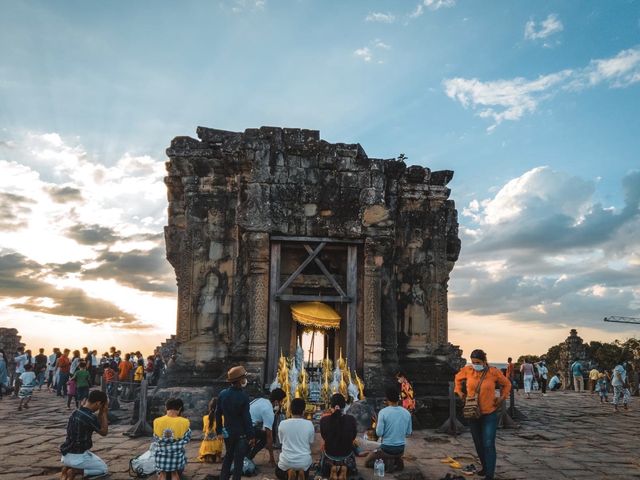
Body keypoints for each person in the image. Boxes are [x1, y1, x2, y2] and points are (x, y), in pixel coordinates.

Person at [454, 349, 511, 480]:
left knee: (488, 443)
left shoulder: (493, 372)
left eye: (478, 362)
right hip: (473, 414)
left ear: (484, 361)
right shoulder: (468, 370)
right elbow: (457, 379)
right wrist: (459, 392)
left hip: (489, 413)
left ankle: (489, 475)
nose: (475, 364)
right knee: (478, 444)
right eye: (473, 362)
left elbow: (507, 384)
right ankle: (485, 467)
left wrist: (502, 398)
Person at [216, 365, 255, 480]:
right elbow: (246, 418)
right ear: (240, 380)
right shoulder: (243, 396)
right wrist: (251, 435)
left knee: (228, 457)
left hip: (227, 432)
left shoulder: (222, 394)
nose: (245, 380)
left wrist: (219, 431)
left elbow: (218, 413)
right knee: (238, 460)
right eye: (244, 377)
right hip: (241, 434)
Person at [60, 389, 109, 479]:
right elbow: (104, 432)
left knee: (94, 458)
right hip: (78, 457)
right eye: (100, 405)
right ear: (98, 403)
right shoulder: (89, 417)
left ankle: (67, 467)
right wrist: (104, 413)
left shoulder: (75, 412)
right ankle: (76, 471)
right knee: (103, 469)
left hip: (66, 454)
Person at [365, 386, 412, 472]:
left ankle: (388, 463)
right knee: (390, 454)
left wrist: (377, 426)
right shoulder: (406, 413)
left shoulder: (383, 412)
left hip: (386, 448)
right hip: (401, 449)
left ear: (387, 399)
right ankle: (395, 460)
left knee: (367, 462)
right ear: (398, 399)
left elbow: (379, 433)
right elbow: (408, 433)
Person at [275, 397, 315, 480]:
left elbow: (281, 441)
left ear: (290, 410)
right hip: (303, 462)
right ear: (304, 411)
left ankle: (289, 473)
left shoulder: (282, 424)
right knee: (305, 470)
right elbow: (311, 442)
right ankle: (300, 473)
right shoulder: (309, 424)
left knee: (278, 472)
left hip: (286, 461)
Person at [319, 393, 358, 478]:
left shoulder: (323, 420)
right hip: (346, 454)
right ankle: (343, 468)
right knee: (352, 449)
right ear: (344, 406)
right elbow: (353, 437)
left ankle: (332, 468)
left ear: (331, 406)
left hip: (330, 454)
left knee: (323, 450)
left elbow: (324, 437)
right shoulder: (351, 419)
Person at [153, 397, 192, 480]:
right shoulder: (185, 421)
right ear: (180, 408)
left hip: (161, 455)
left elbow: (156, 438)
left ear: (166, 407)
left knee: (162, 474)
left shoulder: (156, 421)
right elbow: (187, 438)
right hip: (176, 455)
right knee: (174, 473)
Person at [247, 387, 287, 466]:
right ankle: (249, 456)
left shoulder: (262, 400)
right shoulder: (268, 411)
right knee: (266, 437)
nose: (281, 404)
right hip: (246, 427)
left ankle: (248, 453)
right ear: (276, 402)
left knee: (262, 432)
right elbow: (269, 436)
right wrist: (272, 458)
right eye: (281, 401)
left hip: (243, 423)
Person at [199, 397, 224, 463]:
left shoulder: (205, 418)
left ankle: (209, 456)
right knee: (220, 437)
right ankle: (217, 456)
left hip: (207, 445)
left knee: (207, 438)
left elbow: (204, 430)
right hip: (217, 445)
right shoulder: (222, 418)